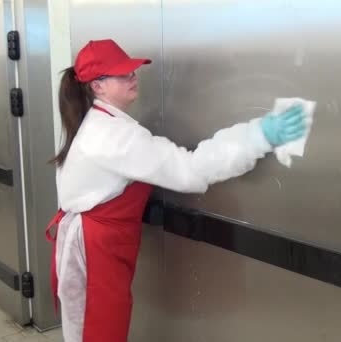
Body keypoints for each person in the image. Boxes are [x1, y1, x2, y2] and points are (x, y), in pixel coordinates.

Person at [46, 39, 308, 342]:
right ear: (97, 86)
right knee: (99, 333)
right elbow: (190, 170)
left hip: (96, 247)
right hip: (95, 252)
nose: (133, 76)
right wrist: (258, 136)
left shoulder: (99, 124)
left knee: (97, 331)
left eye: (132, 69)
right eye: (122, 73)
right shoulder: (112, 136)